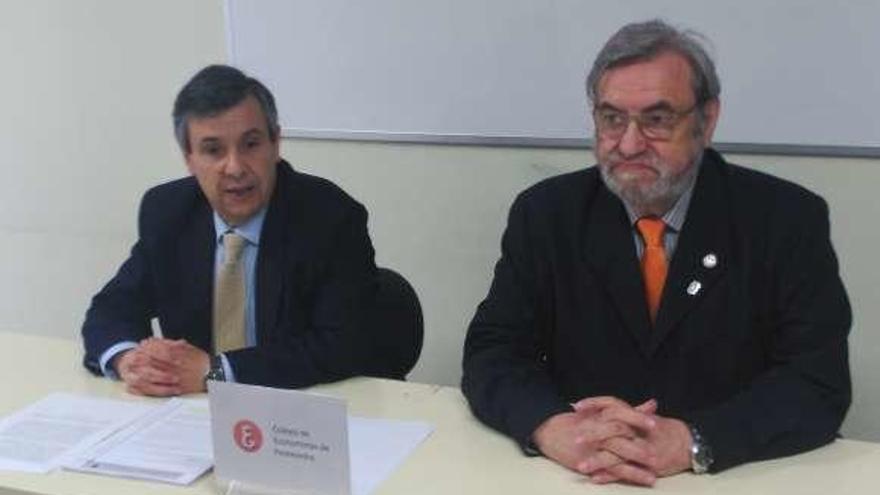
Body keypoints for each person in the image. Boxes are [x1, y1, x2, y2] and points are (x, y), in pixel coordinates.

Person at [461, 19, 851, 486]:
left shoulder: (785, 220)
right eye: (611, 119)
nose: (628, 144)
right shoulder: (547, 214)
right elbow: (493, 351)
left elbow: (817, 382)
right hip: (579, 476)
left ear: (706, 121)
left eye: (657, 119)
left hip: (731, 477)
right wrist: (551, 426)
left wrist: (693, 439)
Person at [82, 65, 386, 396]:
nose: (236, 167)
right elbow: (111, 309)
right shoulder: (167, 213)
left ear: (275, 143)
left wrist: (218, 371)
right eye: (213, 150)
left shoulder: (329, 218)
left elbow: (343, 345)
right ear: (189, 158)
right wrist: (129, 360)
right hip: (191, 414)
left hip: (295, 416)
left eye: (251, 144)